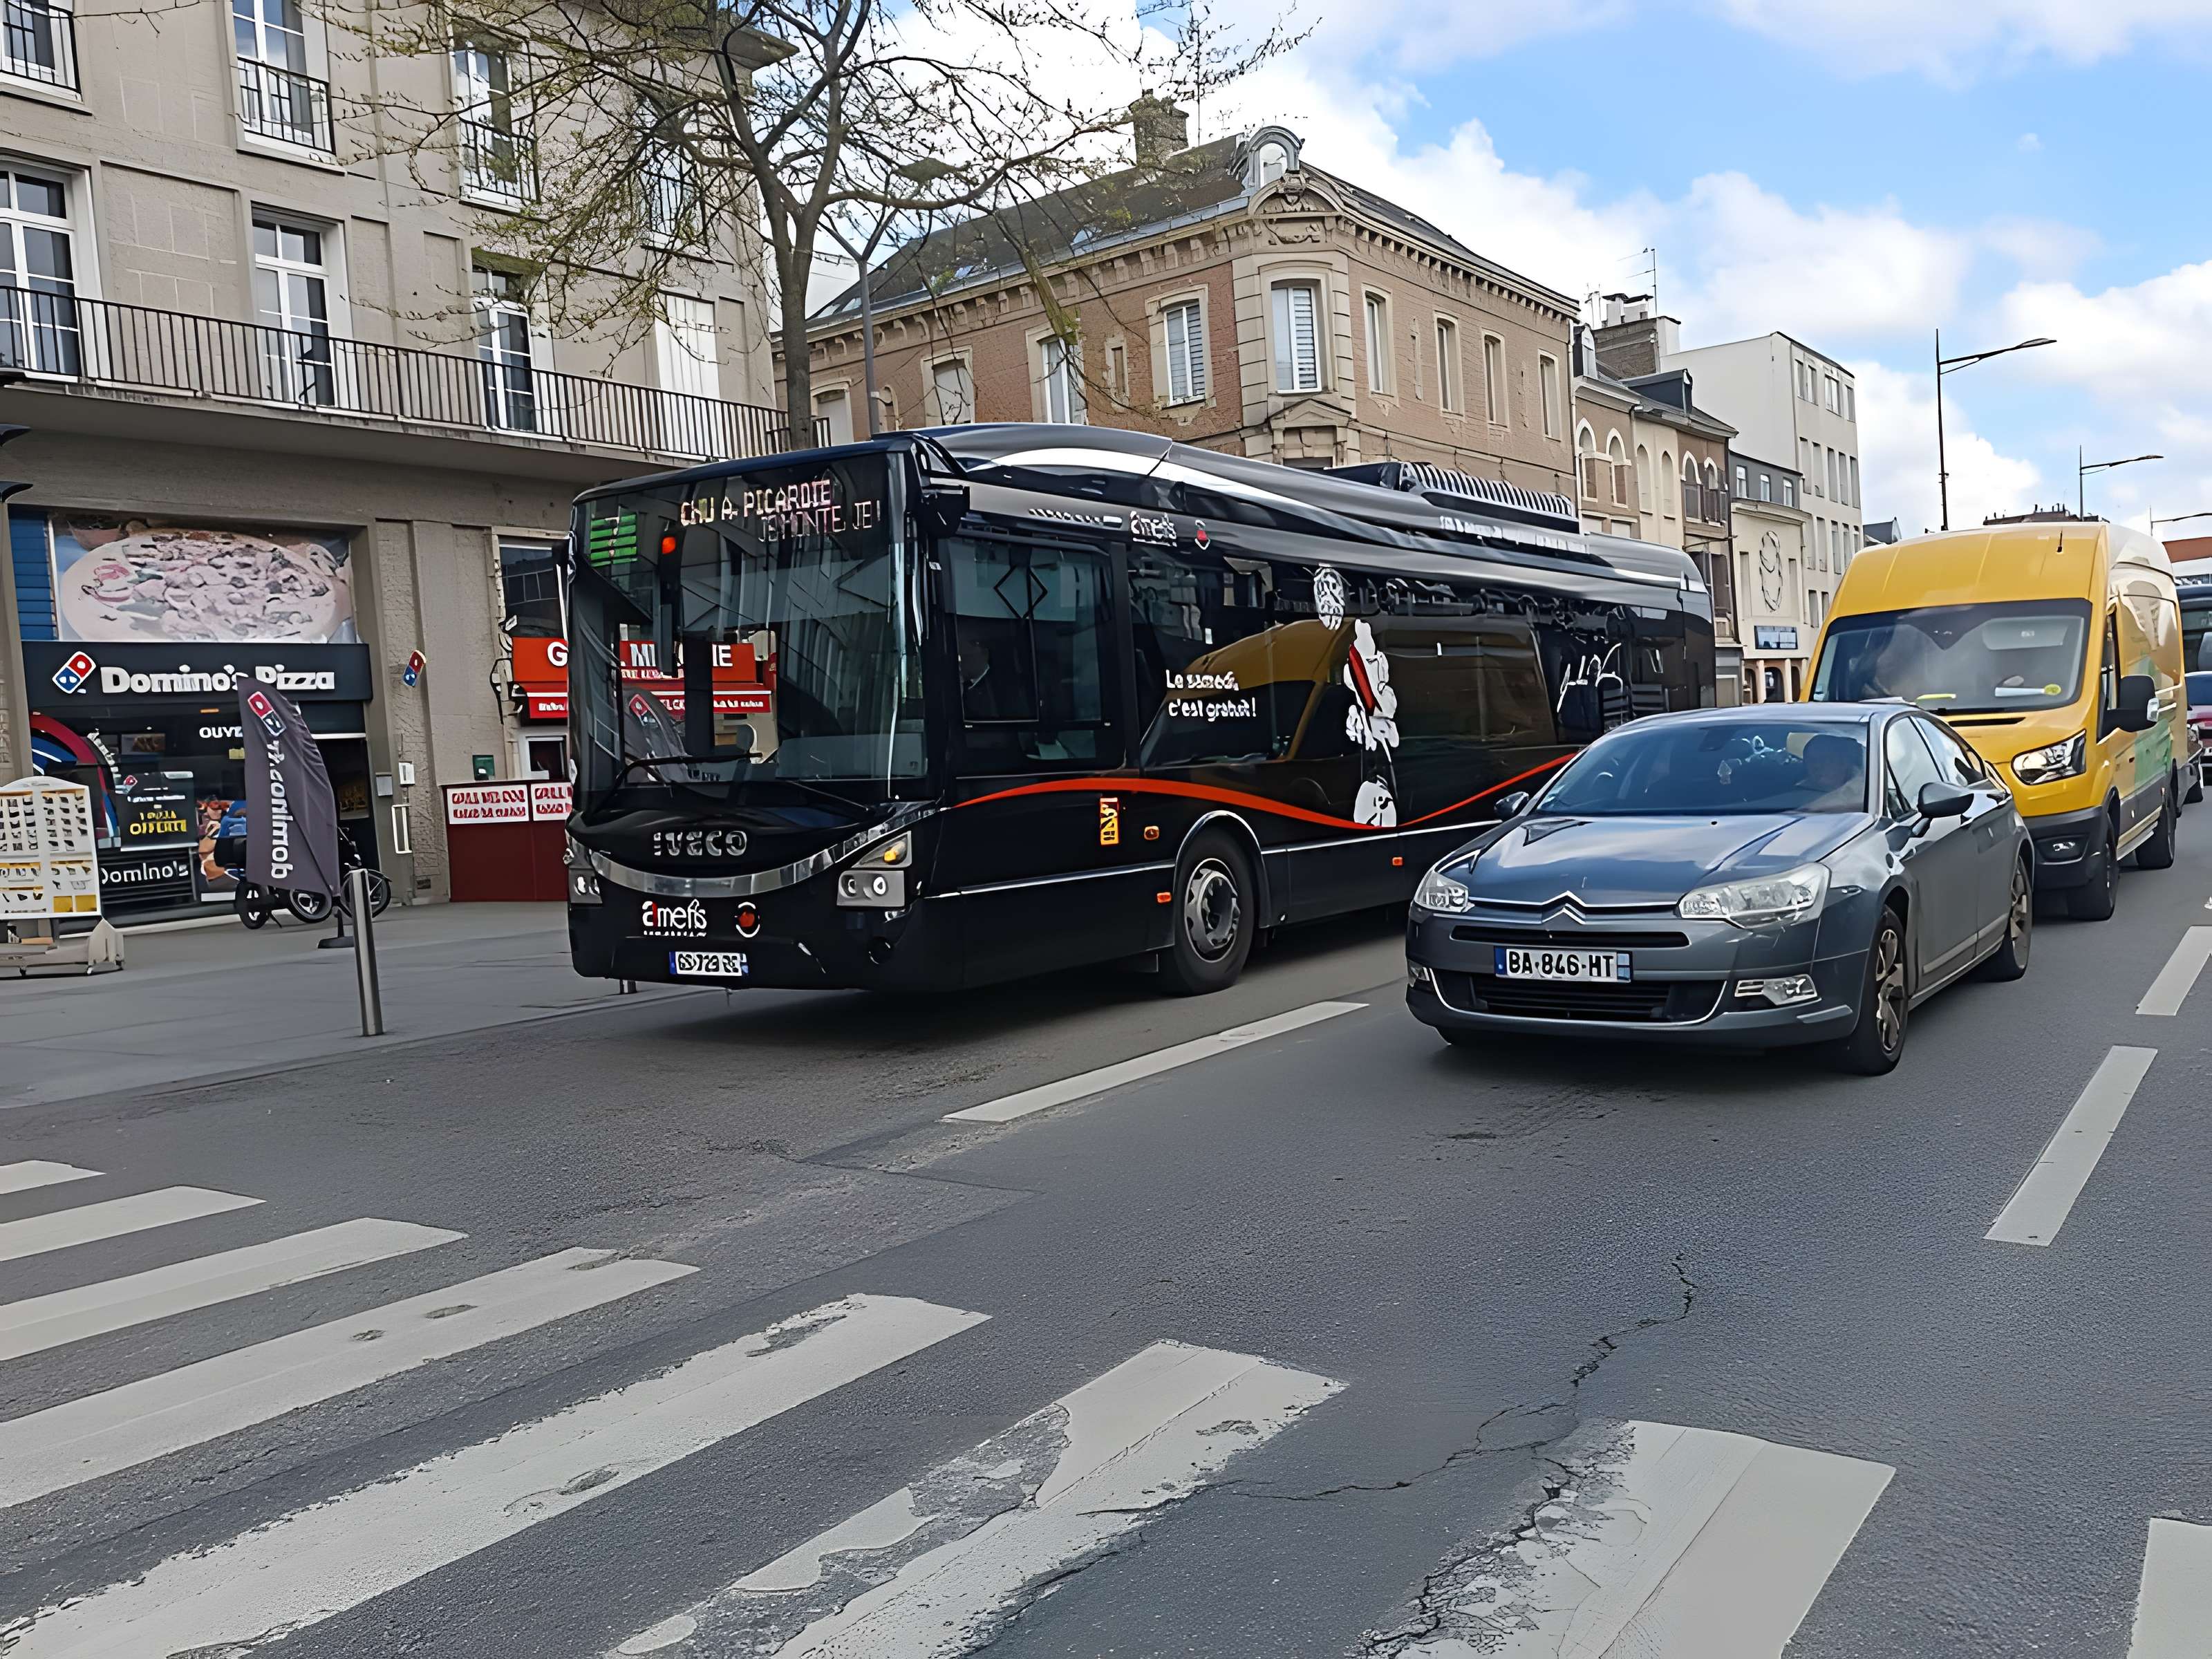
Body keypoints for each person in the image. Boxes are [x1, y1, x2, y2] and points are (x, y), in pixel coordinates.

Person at [1798, 733, 1866, 811]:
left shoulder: (1866, 790)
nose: (1817, 766)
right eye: (1811, 760)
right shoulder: (1796, 793)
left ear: (1844, 762)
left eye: (1824, 759)